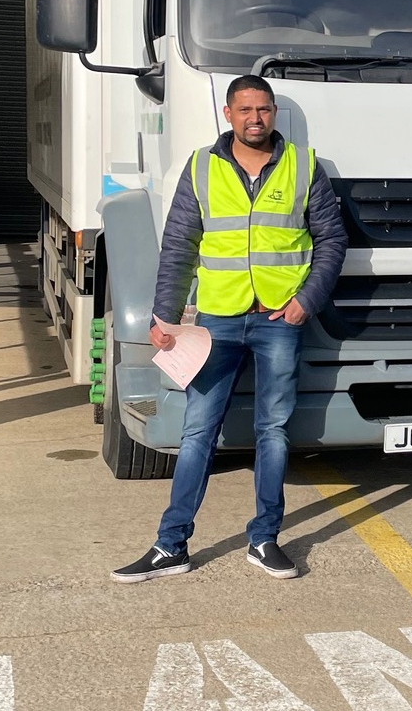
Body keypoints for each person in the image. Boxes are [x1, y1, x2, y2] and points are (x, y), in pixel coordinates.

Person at [111, 75, 348, 584]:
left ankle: (264, 539)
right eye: (245, 110)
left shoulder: (305, 168)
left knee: (274, 431)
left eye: (264, 109)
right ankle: (171, 545)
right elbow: (178, 247)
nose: (255, 119)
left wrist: (306, 301)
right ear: (228, 113)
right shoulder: (201, 167)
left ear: (273, 114)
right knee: (198, 431)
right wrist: (164, 317)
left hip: (279, 319)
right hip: (215, 323)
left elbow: (332, 240)